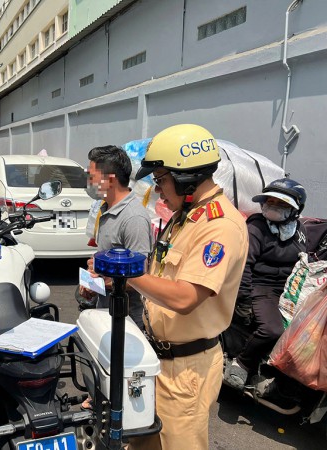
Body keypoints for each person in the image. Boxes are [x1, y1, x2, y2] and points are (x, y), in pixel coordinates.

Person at [125, 124, 248, 450]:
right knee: (140, 443)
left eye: (161, 180)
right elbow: (161, 277)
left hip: (185, 369)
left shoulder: (219, 226)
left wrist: (127, 274)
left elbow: (185, 297)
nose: (158, 189)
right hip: (156, 359)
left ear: (185, 178)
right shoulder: (185, 217)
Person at [225, 178, 307, 389]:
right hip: (261, 288)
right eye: (269, 201)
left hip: (289, 290)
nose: (273, 206)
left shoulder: (299, 231)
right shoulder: (256, 227)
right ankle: (242, 363)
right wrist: (244, 299)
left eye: (281, 204)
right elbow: (243, 266)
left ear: (296, 210)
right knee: (273, 330)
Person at [78, 145, 153, 331]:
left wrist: (99, 281)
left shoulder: (133, 218)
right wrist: (92, 280)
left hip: (127, 324)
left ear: (110, 180)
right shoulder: (106, 209)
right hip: (106, 314)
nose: (88, 182)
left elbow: (141, 278)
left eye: (92, 176)